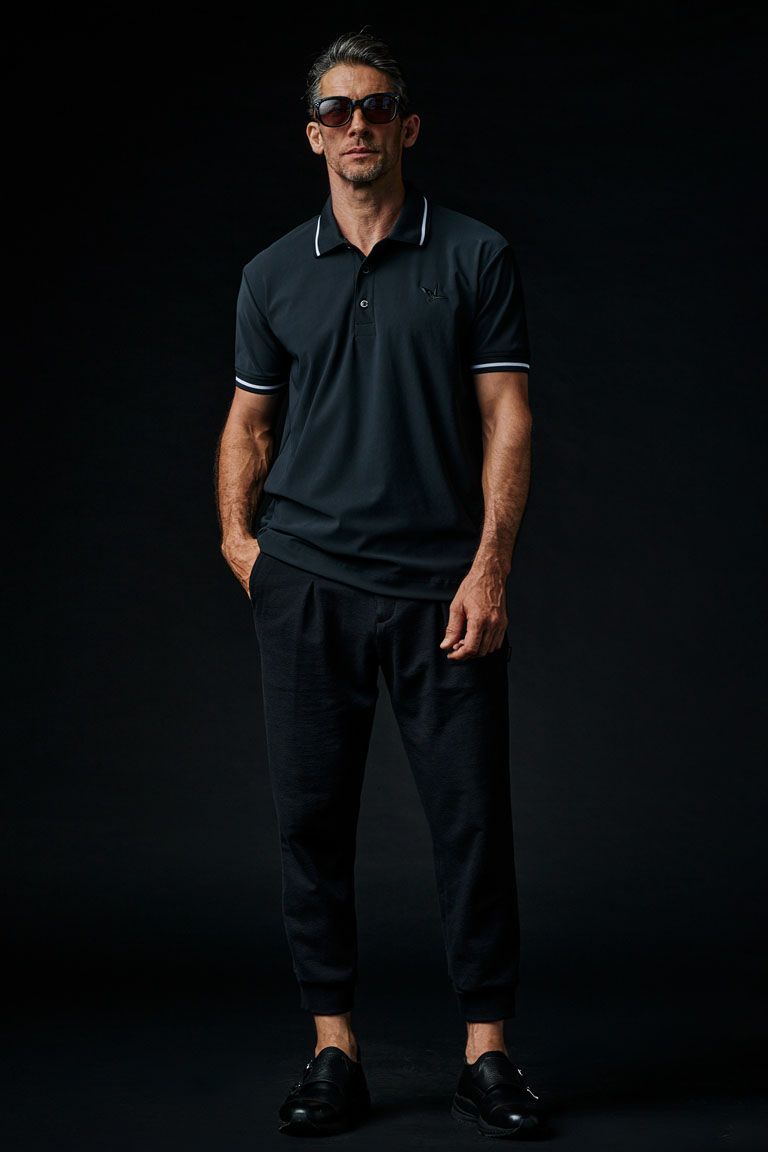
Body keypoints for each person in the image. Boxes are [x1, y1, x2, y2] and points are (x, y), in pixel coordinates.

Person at [215, 28, 544, 1139]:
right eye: (336, 110)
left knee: (472, 823)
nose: (356, 125)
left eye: (375, 107)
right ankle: (334, 1052)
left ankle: (487, 1058)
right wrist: (242, 546)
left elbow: (507, 417)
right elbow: (249, 423)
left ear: (407, 125)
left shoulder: (475, 255)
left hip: (441, 591)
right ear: (314, 136)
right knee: (312, 822)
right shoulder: (271, 274)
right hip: (306, 585)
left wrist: (489, 568)